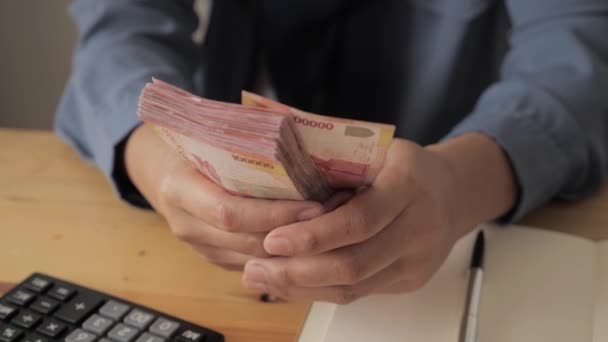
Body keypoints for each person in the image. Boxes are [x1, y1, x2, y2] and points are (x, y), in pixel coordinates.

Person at [55, 0, 608, 304]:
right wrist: (158, 160)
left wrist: (457, 186)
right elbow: (119, 25)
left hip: (455, 237)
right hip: (209, 245)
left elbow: (579, 50)